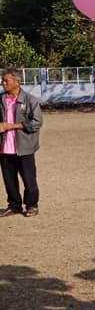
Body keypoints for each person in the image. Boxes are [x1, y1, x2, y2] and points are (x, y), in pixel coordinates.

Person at [0, 69, 43, 217]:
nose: (3, 83)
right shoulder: (0, 100)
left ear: (17, 82)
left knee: (29, 179)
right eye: (2, 81)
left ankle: (32, 205)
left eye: (6, 80)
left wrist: (11, 126)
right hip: (4, 148)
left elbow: (37, 122)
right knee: (9, 180)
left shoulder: (30, 100)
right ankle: (14, 205)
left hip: (24, 148)